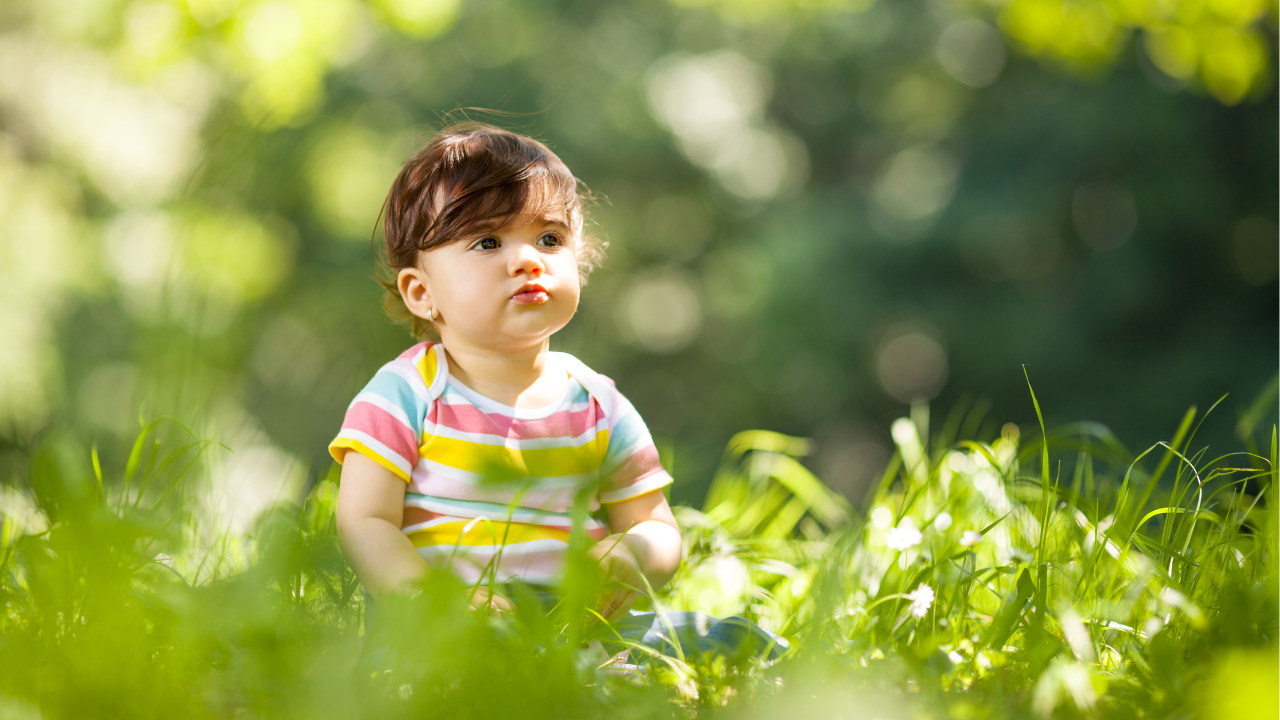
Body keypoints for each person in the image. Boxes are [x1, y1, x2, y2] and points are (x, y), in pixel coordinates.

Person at [329, 122, 785, 665]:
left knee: (726, 638)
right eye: (488, 241)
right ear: (422, 292)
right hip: (449, 627)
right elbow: (365, 520)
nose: (527, 259)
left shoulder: (597, 403)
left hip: (582, 626)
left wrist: (629, 553)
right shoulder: (406, 393)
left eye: (549, 238)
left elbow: (657, 527)